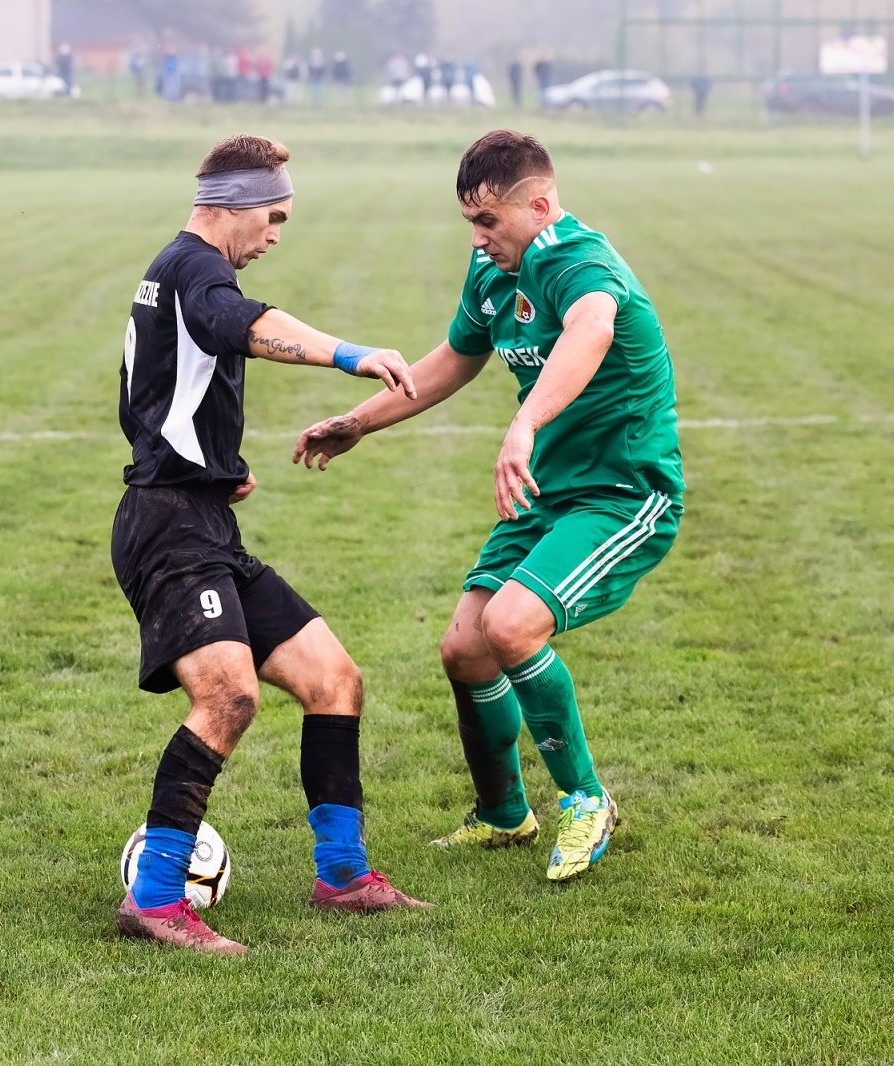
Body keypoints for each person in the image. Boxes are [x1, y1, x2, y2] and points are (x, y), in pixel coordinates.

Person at [293, 130, 684, 883]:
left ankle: (587, 799)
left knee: (510, 625)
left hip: (622, 494)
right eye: (470, 221)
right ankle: (505, 814)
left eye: (488, 221)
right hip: (545, 494)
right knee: (465, 649)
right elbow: (454, 359)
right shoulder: (492, 270)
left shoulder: (580, 263)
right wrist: (360, 422)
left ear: (540, 205)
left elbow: (592, 328)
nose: (477, 237)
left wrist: (525, 423)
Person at [113, 134, 432, 956]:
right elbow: (241, 325)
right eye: (276, 216)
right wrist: (351, 355)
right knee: (230, 697)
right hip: (170, 532)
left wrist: (218, 467)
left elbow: (152, 390)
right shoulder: (197, 271)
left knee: (335, 679)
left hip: (200, 516)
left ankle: (343, 876)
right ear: (238, 205)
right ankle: (155, 901)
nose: (278, 234)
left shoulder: (173, 270)